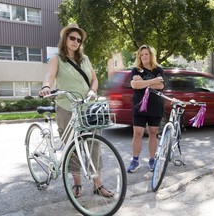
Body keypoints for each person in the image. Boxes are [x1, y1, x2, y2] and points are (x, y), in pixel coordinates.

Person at [39, 23, 113, 198]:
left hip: (87, 108)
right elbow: (49, 75)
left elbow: (94, 79)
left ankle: (97, 184)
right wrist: (46, 86)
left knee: (94, 144)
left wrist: (93, 90)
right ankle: (77, 183)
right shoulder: (57, 58)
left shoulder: (85, 59)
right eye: (72, 38)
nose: (75, 42)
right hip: (66, 107)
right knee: (73, 146)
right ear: (65, 39)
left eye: (78, 40)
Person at [127, 45, 165, 173]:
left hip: (155, 106)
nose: (144, 56)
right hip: (139, 106)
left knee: (153, 133)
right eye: (141, 54)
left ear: (151, 55)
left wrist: (142, 82)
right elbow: (134, 85)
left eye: (146, 54)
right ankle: (135, 160)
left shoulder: (158, 69)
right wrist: (152, 81)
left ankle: (152, 160)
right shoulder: (135, 70)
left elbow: (160, 86)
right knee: (137, 134)